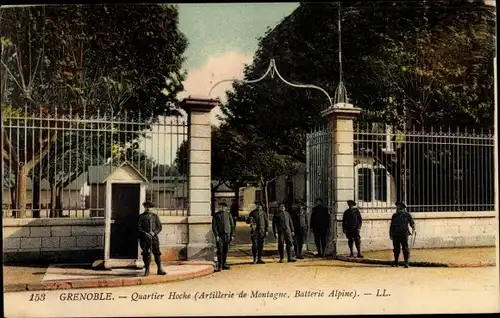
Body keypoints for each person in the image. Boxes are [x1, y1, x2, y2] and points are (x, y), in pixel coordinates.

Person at [137, 201, 167, 276]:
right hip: (144, 238)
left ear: (152, 208)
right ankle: (147, 269)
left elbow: (159, 227)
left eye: (149, 207)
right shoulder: (141, 217)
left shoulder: (155, 216)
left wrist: (153, 233)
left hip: (154, 238)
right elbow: (138, 227)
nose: (148, 209)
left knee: (157, 253)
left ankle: (160, 268)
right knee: (145, 253)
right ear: (144, 208)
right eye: (146, 207)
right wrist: (145, 233)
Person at [389, 201, 415, 268]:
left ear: (402, 208)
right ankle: (396, 262)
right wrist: (390, 233)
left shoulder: (407, 215)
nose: (397, 208)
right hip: (396, 234)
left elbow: (411, 222)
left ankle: (406, 263)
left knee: (405, 249)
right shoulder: (394, 215)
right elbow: (391, 225)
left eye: (398, 207)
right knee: (396, 249)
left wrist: (413, 228)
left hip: (404, 234)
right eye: (397, 207)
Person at [212, 201, 235, 271]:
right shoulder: (216, 215)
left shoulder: (228, 214)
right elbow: (214, 226)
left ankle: (224, 263)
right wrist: (217, 235)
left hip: (227, 235)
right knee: (220, 250)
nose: (221, 208)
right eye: (220, 206)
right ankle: (220, 265)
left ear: (225, 207)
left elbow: (232, 225)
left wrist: (232, 235)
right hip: (220, 235)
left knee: (225, 250)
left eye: (223, 206)